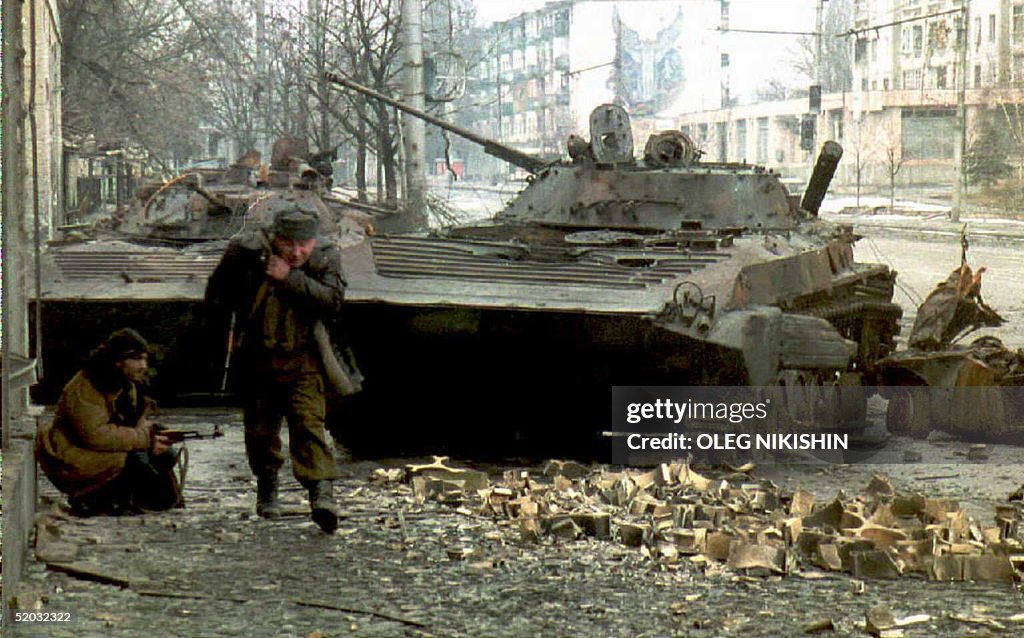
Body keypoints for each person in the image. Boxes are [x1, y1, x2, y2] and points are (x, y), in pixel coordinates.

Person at [205, 200, 343, 533]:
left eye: (304, 245)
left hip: (304, 356)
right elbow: (216, 297)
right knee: (260, 431)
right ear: (275, 238)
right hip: (257, 357)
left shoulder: (324, 256)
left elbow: (333, 302)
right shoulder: (245, 253)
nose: (297, 251)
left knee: (309, 424)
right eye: (289, 244)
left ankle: (322, 496)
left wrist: (291, 277)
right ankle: (267, 488)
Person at [36, 329, 181, 516]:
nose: (143, 365)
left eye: (145, 359)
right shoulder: (86, 386)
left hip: (101, 449)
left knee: (166, 458)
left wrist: (156, 433)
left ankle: (123, 498)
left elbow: (129, 424)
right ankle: (92, 497)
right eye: (136, 359)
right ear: (117, 360)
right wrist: (146, 439)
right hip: (73, 453)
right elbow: (95, 435)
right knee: (139, 465)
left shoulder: (126, 384)